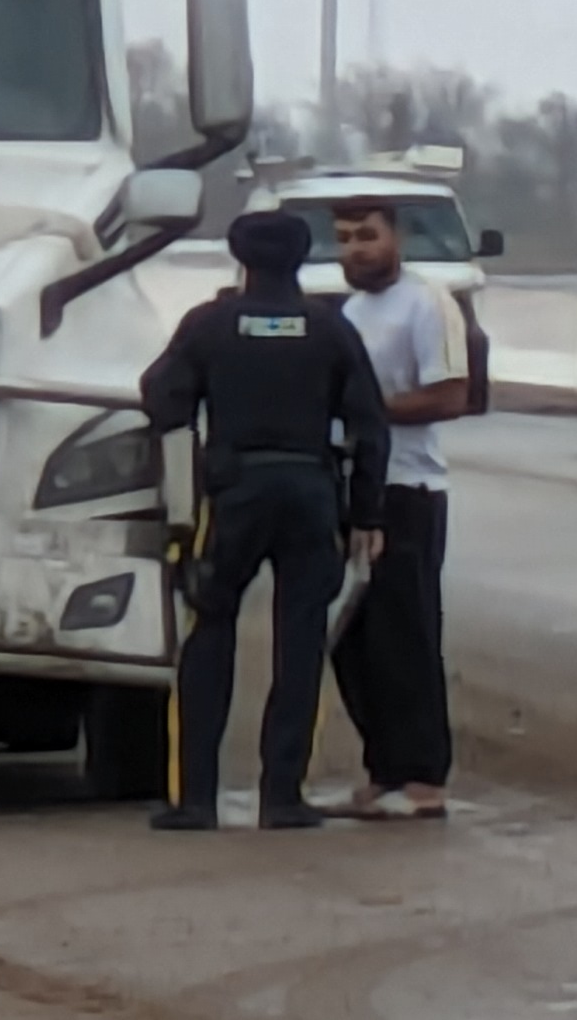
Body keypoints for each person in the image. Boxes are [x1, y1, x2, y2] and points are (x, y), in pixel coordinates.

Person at [136, 210, 392, 831]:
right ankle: (282, 796)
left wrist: (184, 483)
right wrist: (366, 514)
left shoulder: (210, 324)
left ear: (241, 260)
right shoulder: (330, 329)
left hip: (234, 495)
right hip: (311, 494)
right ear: (303, 260)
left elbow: (160, 394)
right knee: (301, 643)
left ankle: (196, 798)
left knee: (209, 632)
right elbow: (370, 426)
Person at [325, 198, 463, 820]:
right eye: (345, 238)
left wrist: (368, 416)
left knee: (405, 636)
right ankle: (384, 771)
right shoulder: (349, 313)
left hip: (409, 490)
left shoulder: (427, 303)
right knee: (354, 639)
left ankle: (424, 776)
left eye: (368, 235)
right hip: (356, 490)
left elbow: (450, 395)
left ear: (396, 238)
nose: (356, 248)